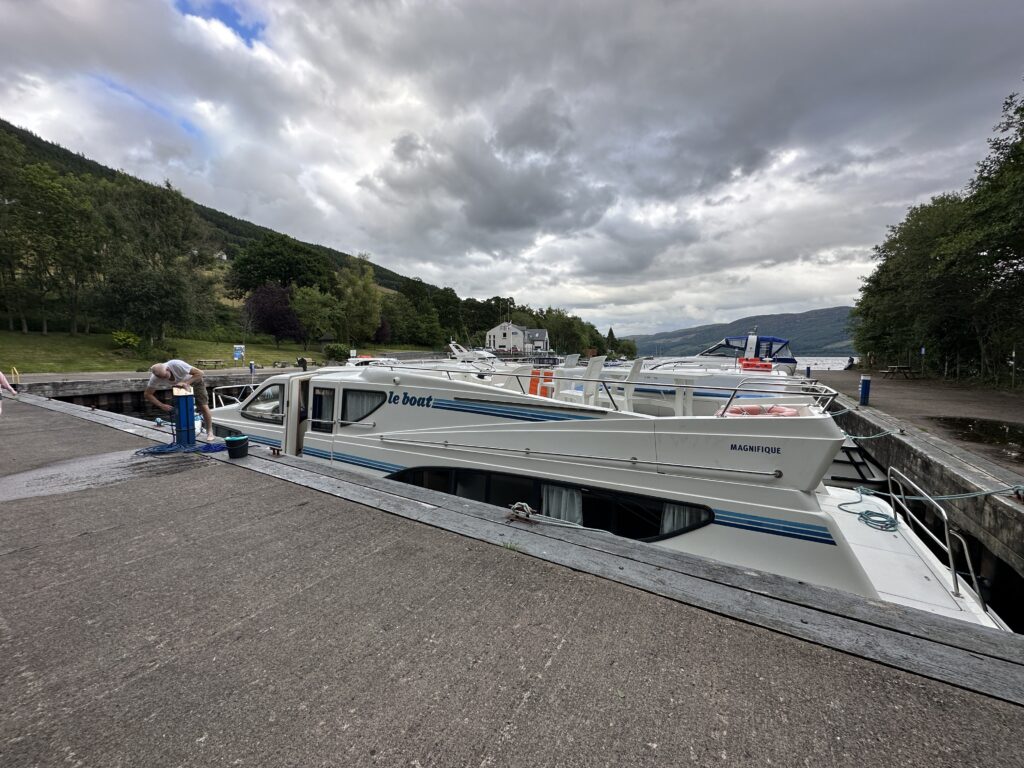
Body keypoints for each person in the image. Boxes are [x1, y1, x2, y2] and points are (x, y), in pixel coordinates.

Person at [144, 359, 213, 437]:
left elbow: (200, 373)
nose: (164, 379)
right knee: (180, 410)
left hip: (194, 380)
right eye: (161, 378)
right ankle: (185, 431)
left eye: (165, 376)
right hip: (178, 386)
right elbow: (147, 394)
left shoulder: (177, 364)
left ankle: (209, 431)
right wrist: (161, 405)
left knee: (203, 406)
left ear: (168, 369)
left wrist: (186, 383)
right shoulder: (155, 378)